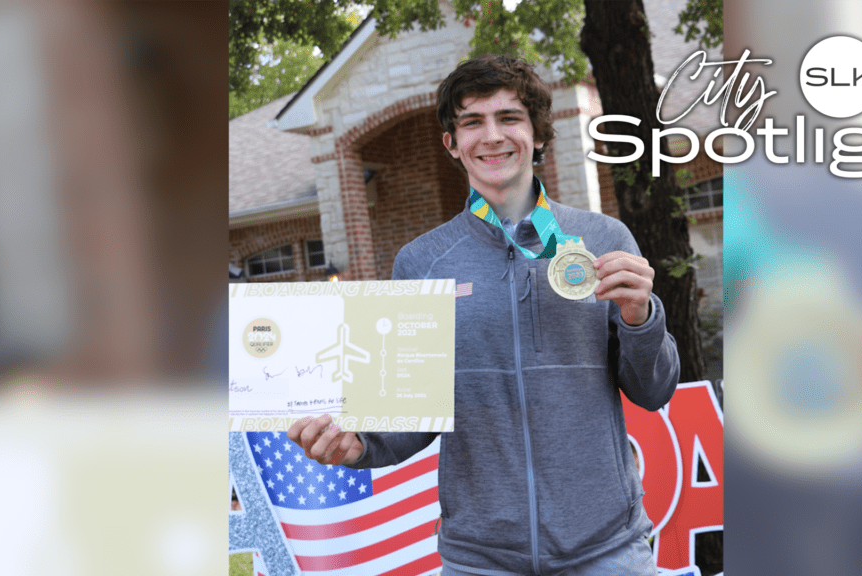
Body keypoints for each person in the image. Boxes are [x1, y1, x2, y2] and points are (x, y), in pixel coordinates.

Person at [289, 54, 680, 575]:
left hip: (607, 548)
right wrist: (357, 444)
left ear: (538, 135)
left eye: (509, 118)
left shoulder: (605, 241)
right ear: (452, 144)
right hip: (481, 559)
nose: (492, 136)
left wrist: (640, 316)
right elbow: (410, 415)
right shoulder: (421, 262)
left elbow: (653, 391)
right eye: (472, 122)